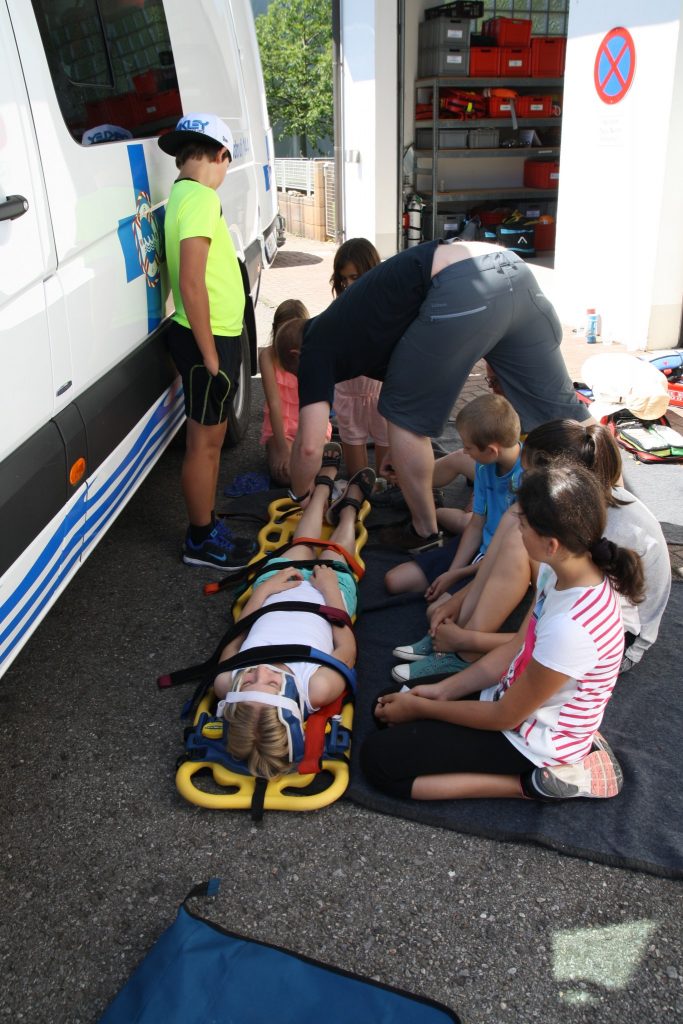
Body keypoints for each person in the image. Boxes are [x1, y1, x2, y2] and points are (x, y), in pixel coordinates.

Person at [276, 238, 591, 551]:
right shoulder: (356, 326)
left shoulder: (314, 344)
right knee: (567, 416)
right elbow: (417, 370)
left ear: (295, 355)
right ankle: (604, 513)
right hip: (513, 268)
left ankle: (424, 532)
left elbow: (309, 446)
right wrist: (402, 454)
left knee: (402, 416)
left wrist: (300, 494)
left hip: (463, 282)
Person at [361, 463, 644, 802]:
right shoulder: (560, 571)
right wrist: (440, 692)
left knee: (378, 761)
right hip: (512, 701)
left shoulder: (572, 629)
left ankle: (533, 784)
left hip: (533, 741)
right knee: (385, 706)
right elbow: (515, 650)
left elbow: (505, 716)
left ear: (551, 545)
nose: (517, 531)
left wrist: (424, 708)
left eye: (523, 525)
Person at [397, 419, 670, 682]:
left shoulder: (598, 530)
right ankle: (462, 632)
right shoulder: (579, 503)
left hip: (615, 642)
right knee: (515, 518)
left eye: (526, 475)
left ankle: (465, 653)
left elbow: (559, 627)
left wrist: (468, 640)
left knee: (519, 535)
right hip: (573, 609)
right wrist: (459, 602)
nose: (521, 483)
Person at [213, 443, 376, 778]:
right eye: (272, 684)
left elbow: (237, 634)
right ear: (290, 698)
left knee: (300, 545)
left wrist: (265, 591)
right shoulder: (314, 688)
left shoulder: (226, 682)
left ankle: (321, 492)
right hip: (328, 602)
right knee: (336, 555)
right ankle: (349, 509)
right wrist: (329, 591)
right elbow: (346, 648)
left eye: (250, 681)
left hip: (275, 592)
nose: (261, 672)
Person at [159, 113, 255, 570]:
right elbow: (191, 281)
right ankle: (199, 540)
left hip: (211, 333)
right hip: (208, 337)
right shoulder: (200, 197)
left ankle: (207, 524)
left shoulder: (182, 193)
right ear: (220, 155)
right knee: (205, 444)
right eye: (227, 164)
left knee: (211, 441)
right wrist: (212, 355)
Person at [385, 394, 523, 599]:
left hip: (501, 561)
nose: (464, 452)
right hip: (480, 545)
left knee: (438, 610)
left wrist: (457, 575)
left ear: (492, 451)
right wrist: (452, 572)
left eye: (468, 447)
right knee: (394, 581)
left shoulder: (529, 480)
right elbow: (476, 525)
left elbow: (513, 552)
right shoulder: (485, 466)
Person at [330, 239, 390, 479]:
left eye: (354, 277)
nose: (348, 285)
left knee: (387, 475)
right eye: (343, 279)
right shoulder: (339, 308)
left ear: (371, 272)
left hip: (382, 393)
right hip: (348, 394)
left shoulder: (387, 306)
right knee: (357, 476)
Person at [259, 299, 332, 486]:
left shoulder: (312, 353)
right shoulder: (267, 355)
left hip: (309, 424)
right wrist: (283, 449)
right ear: (275, 329)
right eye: (283, 330)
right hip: (281, 430)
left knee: (312, 468)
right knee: (287, 475)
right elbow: (274, 403)